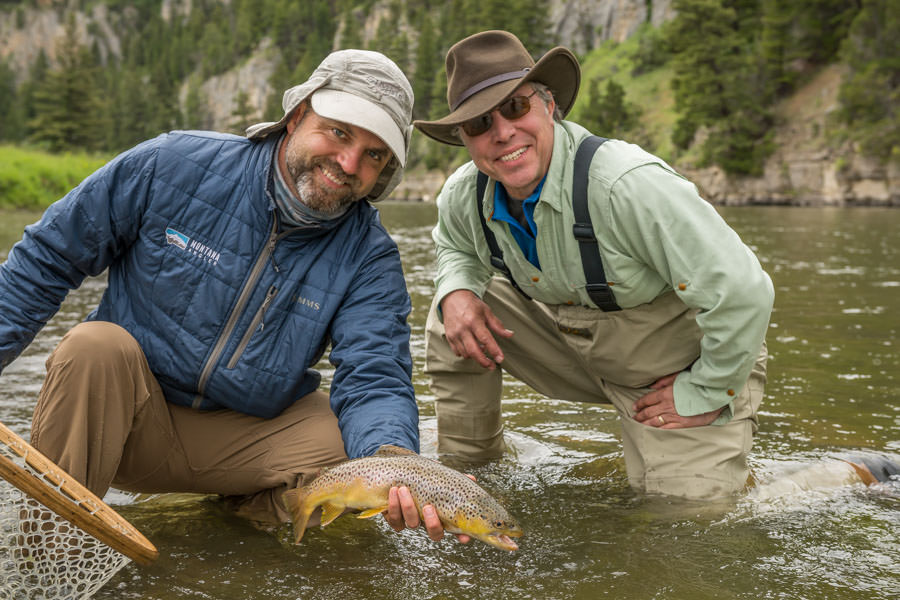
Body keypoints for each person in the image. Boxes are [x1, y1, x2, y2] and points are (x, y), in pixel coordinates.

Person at [0, 48, 436, 536]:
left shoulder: (370, 257)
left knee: (357, 456)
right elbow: (46, 258)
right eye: (339, 132)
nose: (348, 161)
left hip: (243, 440)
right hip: (125, 423)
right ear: (295, 118)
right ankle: (47, 552)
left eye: (374, 154)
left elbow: (375, 376)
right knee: (93, 347)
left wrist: (396, 465)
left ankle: (234, 528)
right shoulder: (171, 163)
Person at [413, 30, 775, 501]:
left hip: (676, 366)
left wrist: (705, 392)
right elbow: (455, 249)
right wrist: (457, 289)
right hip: (574, 346)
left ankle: (837, 478)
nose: (502, 132)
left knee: (684, 523)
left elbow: (744, 293)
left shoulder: (626, 185)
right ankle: (470, 472)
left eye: (516, 107)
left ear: (549, 106)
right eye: (480, 122)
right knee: (453, 315)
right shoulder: (464, 194)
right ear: (464, 138)